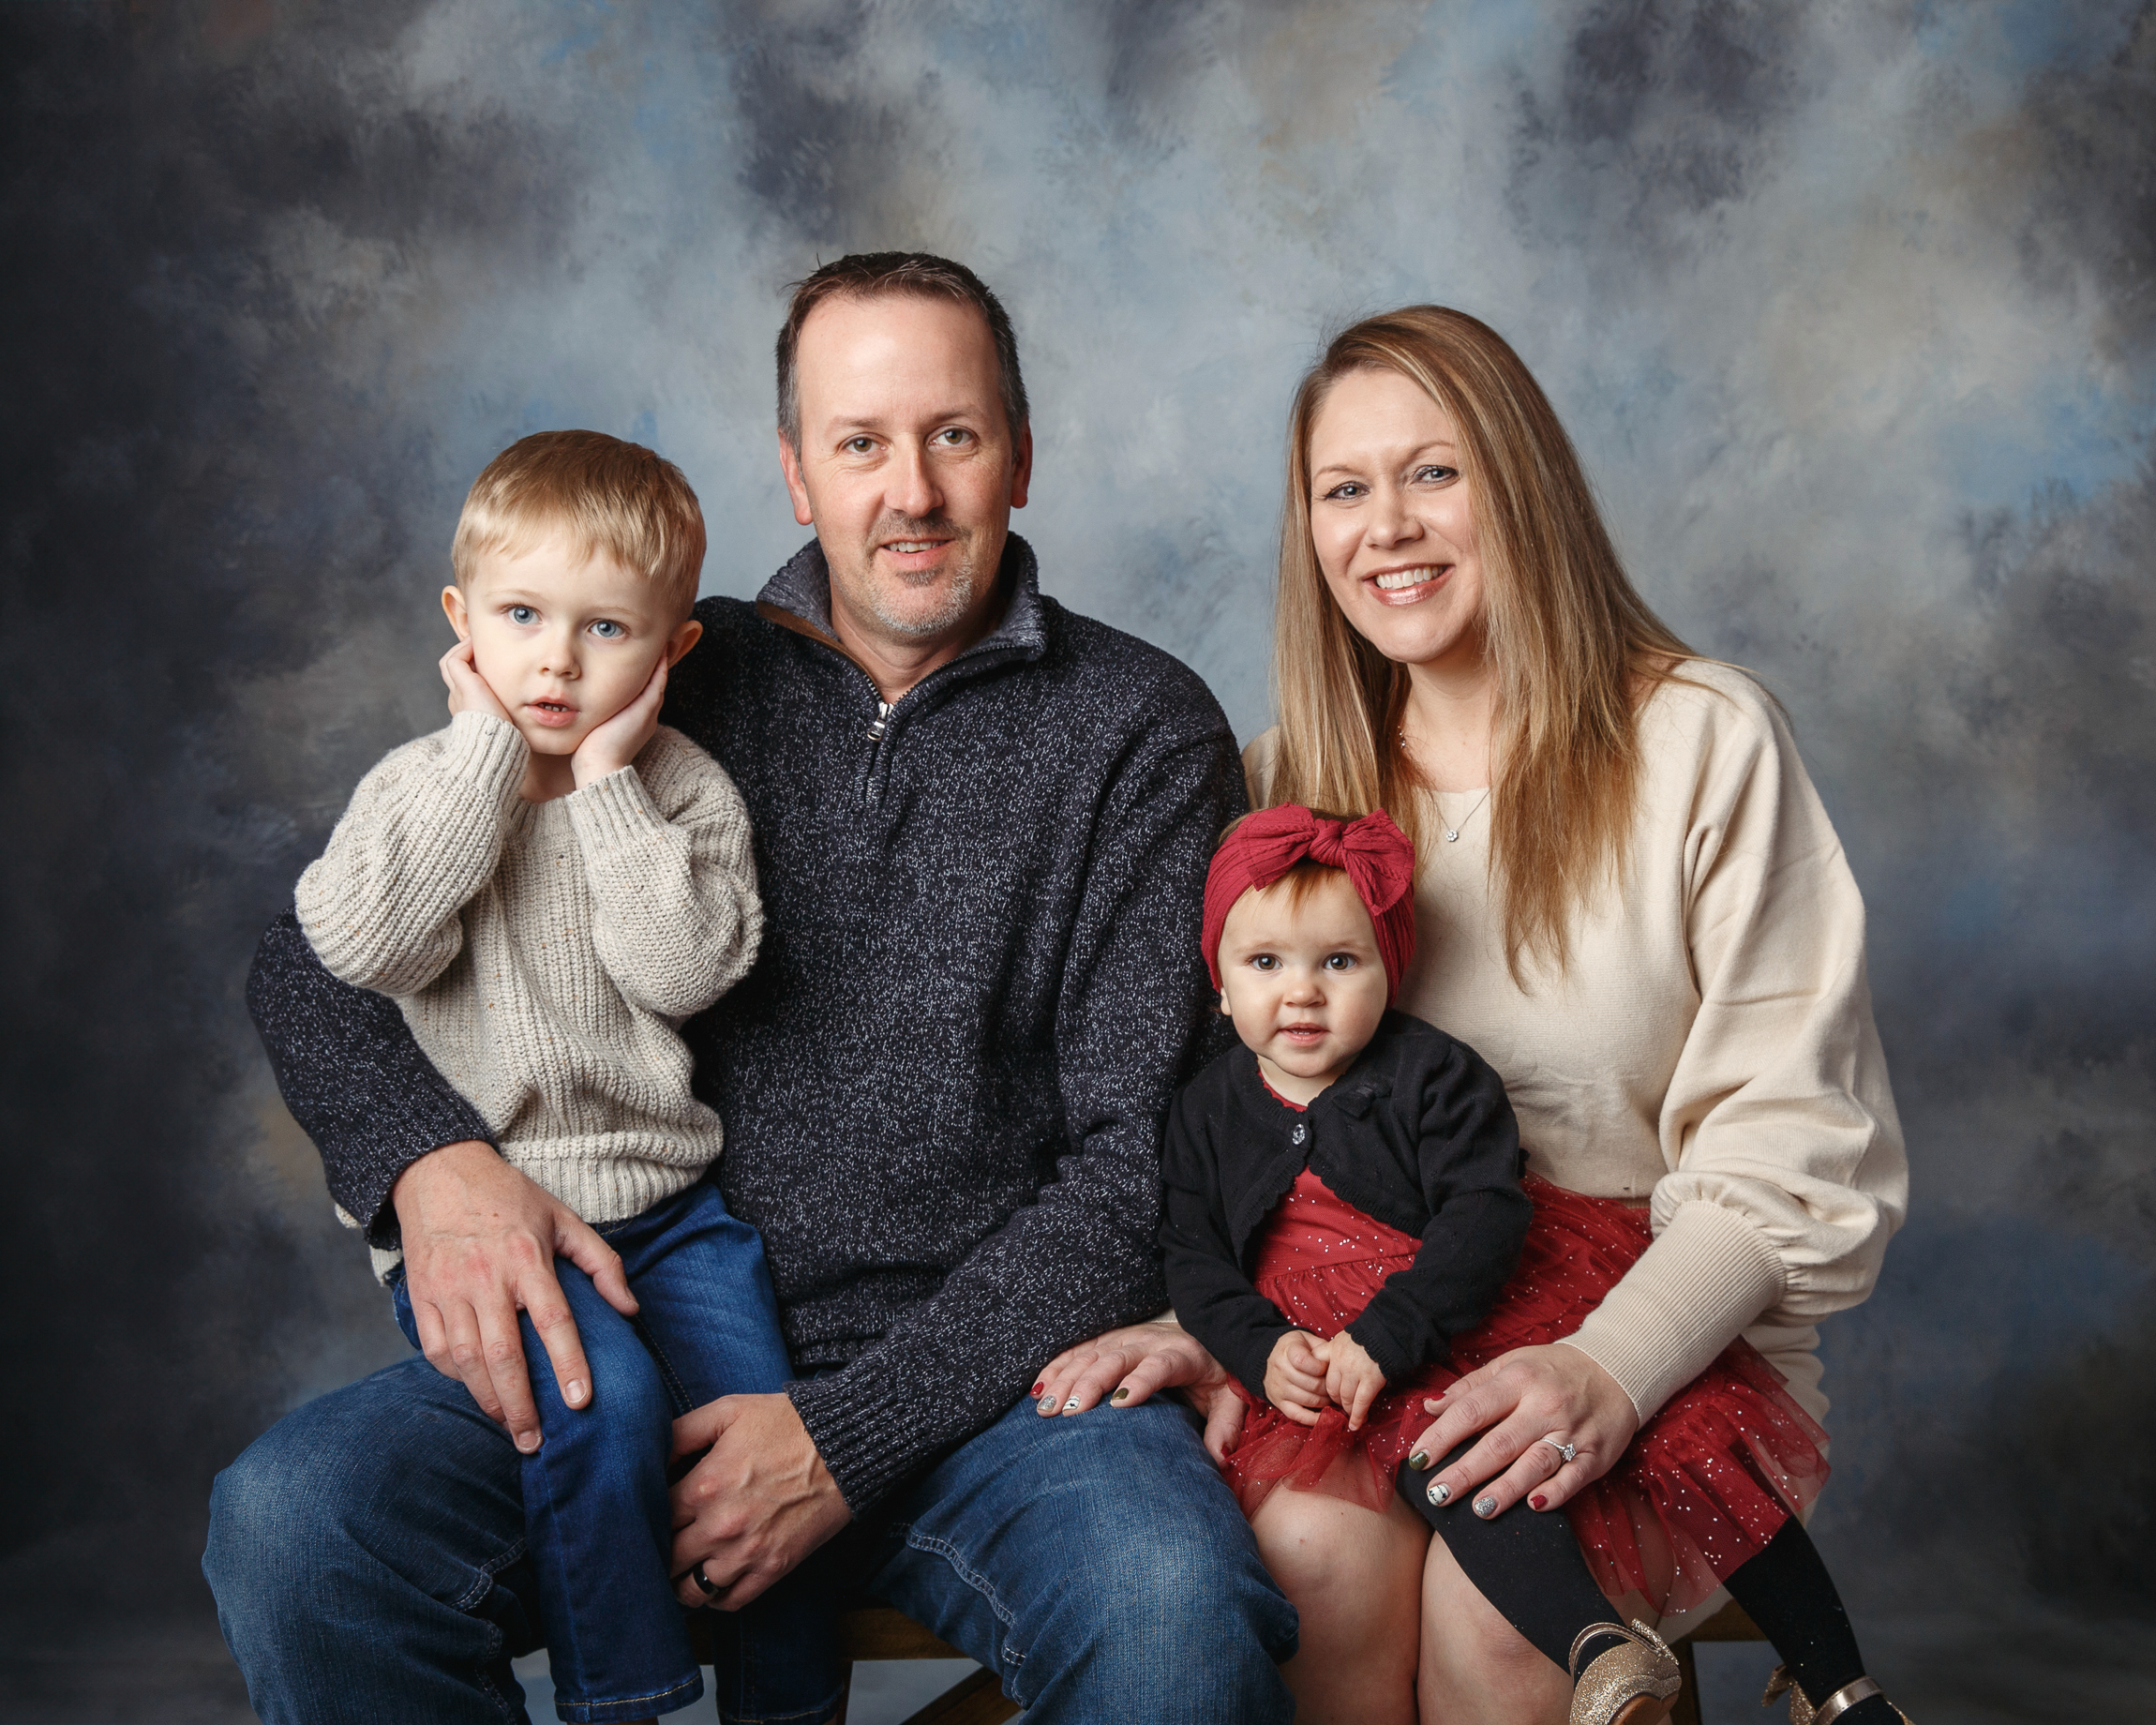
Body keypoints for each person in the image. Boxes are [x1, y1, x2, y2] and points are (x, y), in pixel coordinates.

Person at [205, 252, 1298, 1725]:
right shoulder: (652, 664)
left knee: (1175, 1615)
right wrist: (430, 1166)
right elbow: (316, 955)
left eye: (953, 437)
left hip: (989, 1393)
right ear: (796, 472)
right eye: (859, 443)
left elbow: (1137, 1173)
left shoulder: (1140, 731)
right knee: (298, 1525)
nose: (907, 491)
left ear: (1021, 458)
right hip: (625, 1337)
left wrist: (844, 1437)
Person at [1035, 306, 1910, 1725]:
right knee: (1310, 1562)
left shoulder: (1700, 741)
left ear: (1524, 486)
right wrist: (1230, 1326)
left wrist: (1607, 1372)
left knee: (1505, 1626)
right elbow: (1236, 1132)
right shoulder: (1284, 787)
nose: (1389, 527)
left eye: (1434, 474)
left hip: (1647, 1342)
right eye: (1344, 489)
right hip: (1365, 1334)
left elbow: (1791, 1147)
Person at [290, 428, 831, 1724]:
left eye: (604, 631)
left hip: (676, 1213)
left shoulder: (681, 791)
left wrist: (602, 786)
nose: (554, 659)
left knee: (766, 1431)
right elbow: (360, 944)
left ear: (670, 653)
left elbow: (685, 967)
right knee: (602, 1399)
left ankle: (793, 1706)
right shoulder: (421, 788)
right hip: (506, 1224)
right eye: (522, 617)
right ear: (460, 618)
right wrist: (487, 759)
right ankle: (623, 1698)